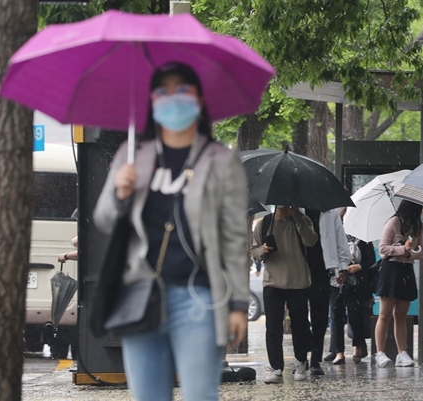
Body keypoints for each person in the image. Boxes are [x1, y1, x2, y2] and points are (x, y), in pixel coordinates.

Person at [94, 62, 249, 401]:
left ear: (199, 100)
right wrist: (120, 194)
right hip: (140, 296)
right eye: (162, 91)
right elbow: (103, 218)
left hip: (199, 298)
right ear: (151, 101)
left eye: (182, 90)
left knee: (199, 395)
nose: (172, 98)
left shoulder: (221, 160)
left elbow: (236, 237)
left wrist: (238, 302)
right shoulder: (133, 156)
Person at [251, 206, 318, 383]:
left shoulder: (302, 220)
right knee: (273, 327)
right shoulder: (264, 223)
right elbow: (254, 251)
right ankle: (276, 367)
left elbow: (311, 241)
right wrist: (262, 251)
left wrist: (298, 218)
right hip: (272, 282)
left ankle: (301, 362)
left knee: (300, 325)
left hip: (298, 280)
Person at [374, 200, 423, 368]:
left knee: (401, 314)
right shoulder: (393, 222)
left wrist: (411, 252)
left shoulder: (417, 226)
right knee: (385, 314)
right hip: (391, 270)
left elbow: (422, 251)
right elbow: (383, 248)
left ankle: (402, 353)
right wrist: (402, 249)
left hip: (406, 269)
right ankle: (380, 352)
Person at [303, 209, 351, 375]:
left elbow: (340, 240)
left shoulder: (329, 213)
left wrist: (343, 267)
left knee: (320, 317)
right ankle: (301, 357)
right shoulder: (295, 210)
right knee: (299, 316)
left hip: (322, 270)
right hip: (299, 268)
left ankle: (315, 360)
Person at [326, 207, 375, 365]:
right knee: (336, 316)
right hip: (338, 281)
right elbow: (329, 257)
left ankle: (357, 347)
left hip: (357, 283)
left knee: (356, 316)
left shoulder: (363, 239)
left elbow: (371, 261)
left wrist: (359, 267)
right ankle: (338, 351)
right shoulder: (334, 237)